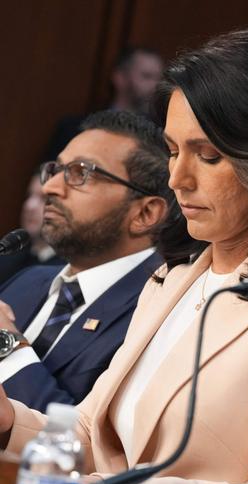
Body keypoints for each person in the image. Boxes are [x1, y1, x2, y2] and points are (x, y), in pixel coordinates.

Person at [0, 30, 248, 484]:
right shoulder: (175, 276)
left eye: (207, 156)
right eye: (172, 150)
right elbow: (91, 437)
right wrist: (9, 420)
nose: (178, 178)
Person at [0, 110, 170, 412]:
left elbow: (86, 444)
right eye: (56, 169)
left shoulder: (159, 313)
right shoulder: (27, 282)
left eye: (80, 173)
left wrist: (7, 345)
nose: (49, 187)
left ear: (145, 214)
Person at [44, 46, 164, 162]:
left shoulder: (161, 138)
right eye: (147, 76)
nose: (156, 86)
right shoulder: (75, 128)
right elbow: (42, 178)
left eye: (159, 79)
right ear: (120, 78)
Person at [0, 172, 64, 285]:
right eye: (29, 195)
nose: (29, 206)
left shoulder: (66, 271)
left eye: (44, 198)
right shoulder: (7, 254)